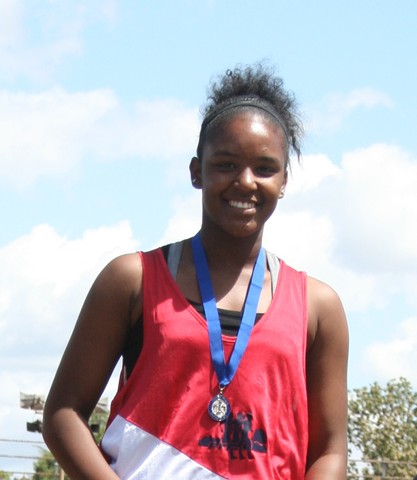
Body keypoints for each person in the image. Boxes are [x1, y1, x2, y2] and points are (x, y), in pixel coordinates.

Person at [43, 63, 349, 479]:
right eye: (226, 164)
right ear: (196, 171)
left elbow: (329, 449)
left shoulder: (318, 308)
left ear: (283, 181)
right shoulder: (132, 281)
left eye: (264, 168)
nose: (246, 181)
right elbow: (63, 414)